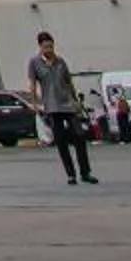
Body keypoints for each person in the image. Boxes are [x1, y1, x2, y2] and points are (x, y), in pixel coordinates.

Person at [27, 32, 96, 185]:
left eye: (51, 46)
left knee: (79, 136)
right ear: (40, 47)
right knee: (61, 141)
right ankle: (71, 175)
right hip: (52, 107)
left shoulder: (60, 62)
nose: (49, 50)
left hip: (68, 104)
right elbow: (32, 84)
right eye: (46, 47)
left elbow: (68, 82)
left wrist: (76, 101)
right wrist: (34, 103)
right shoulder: (34, 63)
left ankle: (85, 172)